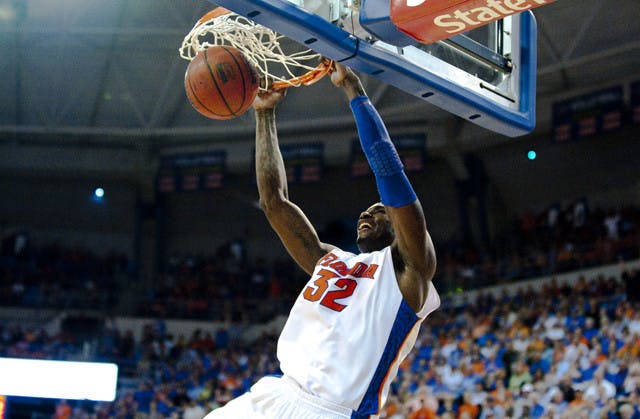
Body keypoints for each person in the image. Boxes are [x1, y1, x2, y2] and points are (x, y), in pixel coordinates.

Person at [204, 62, 440, 418]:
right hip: (278, 394)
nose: (366, 214)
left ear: (399, 223)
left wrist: (354, 92)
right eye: (365, 211)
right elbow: (275, 202)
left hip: (332, 411)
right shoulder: (329, 259)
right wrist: (264, 115)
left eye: (378, 211)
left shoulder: (410, 271)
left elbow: (389, 173)